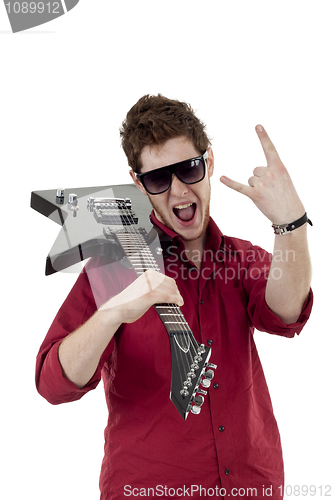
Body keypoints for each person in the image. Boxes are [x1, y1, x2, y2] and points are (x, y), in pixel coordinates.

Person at [36, 94, 313, 499]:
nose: (179, 189)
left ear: (209, 162)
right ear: (138, 182)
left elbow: (287, 313)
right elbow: (52, 383)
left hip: (253, 486)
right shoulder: (112, 265)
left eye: (188, 168)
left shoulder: (241, 258)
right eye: (158, 179)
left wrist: (291, 224)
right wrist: (112, 312)